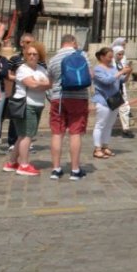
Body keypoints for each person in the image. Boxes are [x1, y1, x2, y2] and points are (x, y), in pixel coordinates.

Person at [46, 35, 90, 181]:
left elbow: (50, 81)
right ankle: (75, 170)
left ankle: (56, 169)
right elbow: (89, 75)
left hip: (58, 98)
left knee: (57, 133)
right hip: (78, 98)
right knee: (75, 132)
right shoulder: (82, 55)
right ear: (74, 42)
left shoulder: (53, 59)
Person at [5, 42, 49, 176]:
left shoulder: (41, 69)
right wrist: (42, 84)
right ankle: (24, 164)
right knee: (27, 135)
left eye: (34, 54)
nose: (31, 56)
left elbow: (48, 84)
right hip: (26, 104)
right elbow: (32, 84)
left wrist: (41, 84)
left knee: (22, 135)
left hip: (38, 104)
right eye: (29, 54)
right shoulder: (22, 69)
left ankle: (12, 162)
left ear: (39, 55)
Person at [91, 47, 130, 160]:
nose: (111, 59)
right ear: (102, 57)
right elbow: (107, 81)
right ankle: (97, 149)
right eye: (109, 57)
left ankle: (105, 146)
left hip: (115, 100)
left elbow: (121, 80)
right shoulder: (98, 69)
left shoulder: (113, 68)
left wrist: (127, 73)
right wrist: (120, 72)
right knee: (100, 124)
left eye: (112, 56)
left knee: (109, 125)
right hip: (103, 100)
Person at [112, 41, 135, 139]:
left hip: (121, 88)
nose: (121, 56)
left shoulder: (120, 63)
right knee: (112, 111)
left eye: (122, 54)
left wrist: (128, 72)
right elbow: (112, 77)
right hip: (112, 90)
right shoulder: (110, 63)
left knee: (124, 109)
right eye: (119, 54)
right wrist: (122, 72)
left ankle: (126, 129)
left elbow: (123, 78)